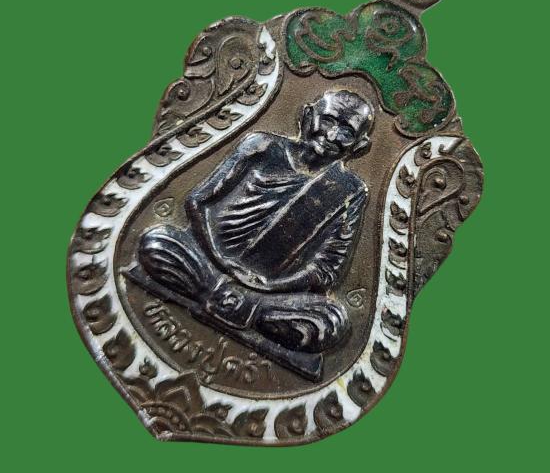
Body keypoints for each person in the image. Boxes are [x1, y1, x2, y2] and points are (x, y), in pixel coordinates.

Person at [139, 89, 375, 355]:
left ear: (360, 146)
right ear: (308, 116)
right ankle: (236, 304)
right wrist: (219, 259)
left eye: (346, 132)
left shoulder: (349, 189)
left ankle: (233, 301)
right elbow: (198, 202)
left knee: (331, 323)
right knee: (157, 242)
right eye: (328, 120)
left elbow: (327, 270)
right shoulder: (262, 145)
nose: (331, 136)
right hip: (207, 261)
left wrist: (267, 286)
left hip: (269, 296)